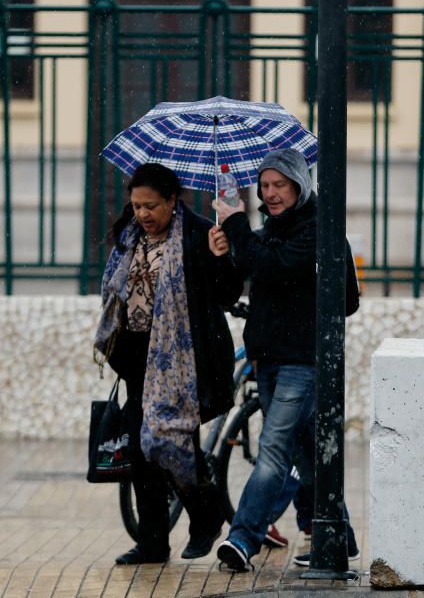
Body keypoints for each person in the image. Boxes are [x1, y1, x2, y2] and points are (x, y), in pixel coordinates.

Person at [213, 148, 360, 572]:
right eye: (265, 185)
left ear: (300, 185)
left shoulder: (318, 230)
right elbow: (244, 277)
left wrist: (239, 224)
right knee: (304, 454)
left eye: (280, 185)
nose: (271, 193)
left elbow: (279, 269)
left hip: (302, 362)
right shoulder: (271, 230)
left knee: (274, 450)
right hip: (269, 359)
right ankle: (339, 537)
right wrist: (224, 247)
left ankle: (242, 539)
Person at [94, 162, 244, 565]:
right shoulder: (129, 235)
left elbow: (227, 294)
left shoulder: (198, 233)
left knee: (171, 442)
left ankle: (204, 511)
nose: (143, 214)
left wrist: (221, 257)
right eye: (137, 205)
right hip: (137, 357)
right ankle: (153, 542)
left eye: (151, 206)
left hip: (183, 359)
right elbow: (115, 290)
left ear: (173, 200)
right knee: (142, 451)